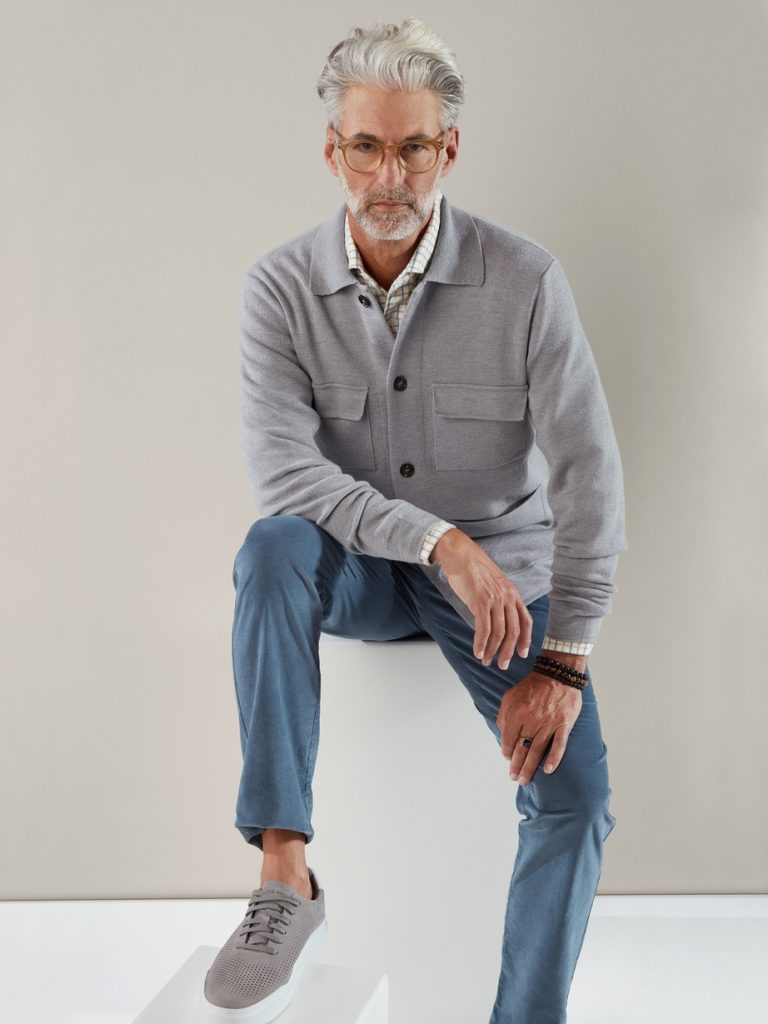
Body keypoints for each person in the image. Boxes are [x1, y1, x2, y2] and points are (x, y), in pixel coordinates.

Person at [200, 16, 628, 1024]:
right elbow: (286, 481)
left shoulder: (526, 282)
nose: (388, 176)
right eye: (365, 147)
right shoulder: (277, 289)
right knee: (270, 549)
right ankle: (284, 872)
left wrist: (563, 660)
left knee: (575, 800)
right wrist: (438, 539)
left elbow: (590, 475)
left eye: (413, 148)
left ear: (450, 150)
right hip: (360, 575)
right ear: (332, 150)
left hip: (501, 601)